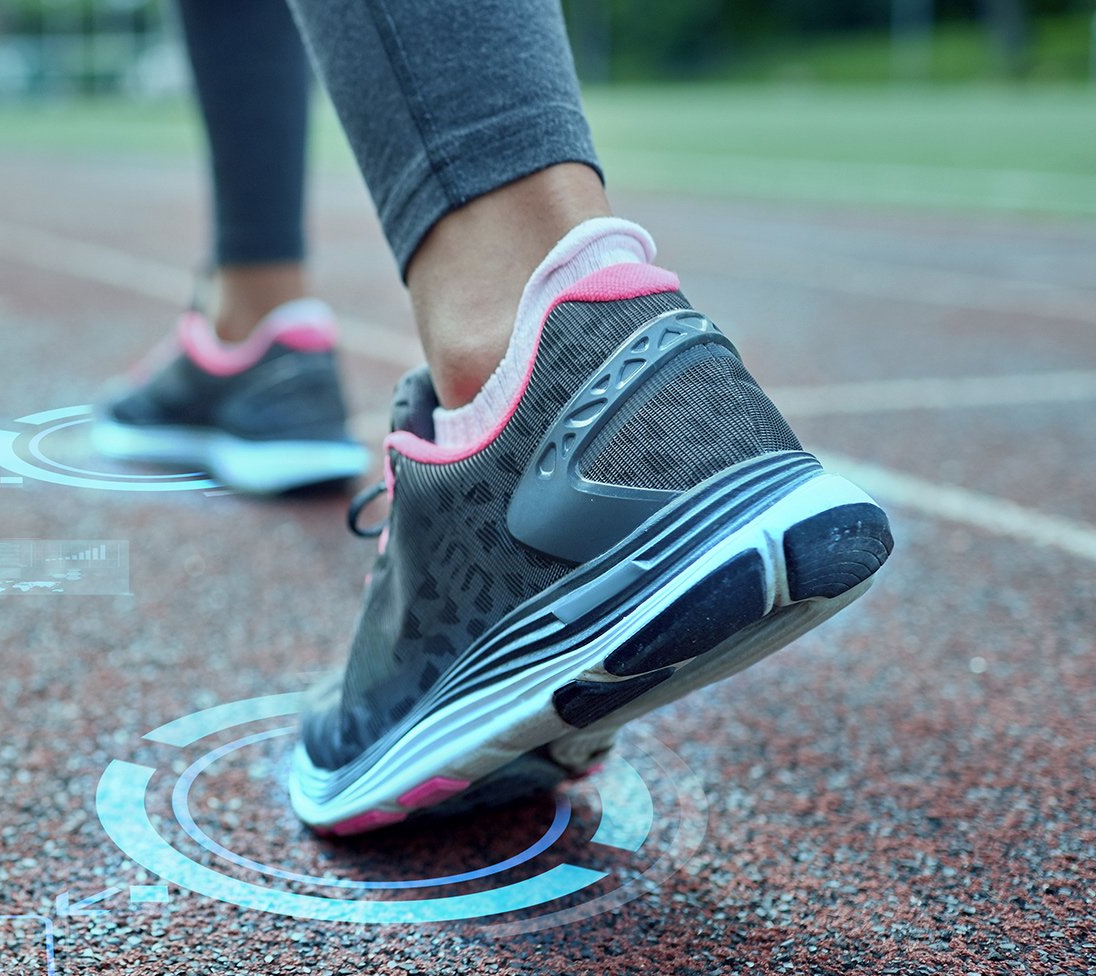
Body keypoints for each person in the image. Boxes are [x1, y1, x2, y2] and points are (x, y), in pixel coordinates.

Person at [90, 0, 895, 835]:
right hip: (682, 381)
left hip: (562, 426)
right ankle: (253, 319)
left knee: (510, 305)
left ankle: (519, 331)